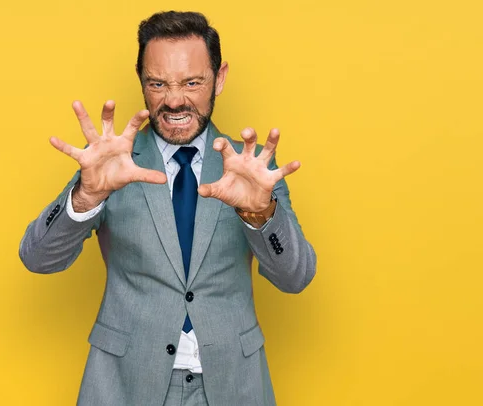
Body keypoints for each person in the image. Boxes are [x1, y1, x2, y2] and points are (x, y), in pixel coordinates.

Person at [19, 10, 316, 406]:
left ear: (220, 77)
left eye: (192, 82)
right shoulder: (112, 163)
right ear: (140, 78)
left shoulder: (252, 168)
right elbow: (38, 258)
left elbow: (296, 277)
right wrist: (85, 198)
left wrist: (261, 215)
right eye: (157, 83)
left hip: (233, 384)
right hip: (124, 384)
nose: (174, 100)